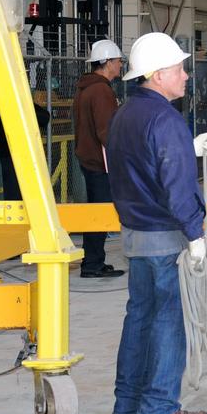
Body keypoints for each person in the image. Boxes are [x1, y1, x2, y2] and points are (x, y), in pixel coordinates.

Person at [106, 32, 207, 414]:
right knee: (168, 321)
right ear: (156, 75)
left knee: (139, 316)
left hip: (134, 233)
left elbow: (143, 164)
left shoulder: (125, 114)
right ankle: (158, 408)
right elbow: (173, 182)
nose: (186, 76)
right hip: (164, 236)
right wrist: (194, 233)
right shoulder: (165, 118)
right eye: (179, 69)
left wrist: (188, 148)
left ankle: (128, 402)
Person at [73, 39, 125, 279]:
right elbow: (107, 131)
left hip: (89, 158)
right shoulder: (101, 91)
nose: (120, 65)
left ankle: (94, 260)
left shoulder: (86, 88)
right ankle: (92, 263)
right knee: (100, 214)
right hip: (100, 162)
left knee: (97, 211)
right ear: (107, 63)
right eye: (117, 61)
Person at [0, 89, 50, 202]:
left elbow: (45, 117)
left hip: (25, 154)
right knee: (14, 195)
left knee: (30, 194)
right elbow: (15, 119)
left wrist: (24, 110)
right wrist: (25, 112)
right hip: (10, 154)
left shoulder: (21, 103)